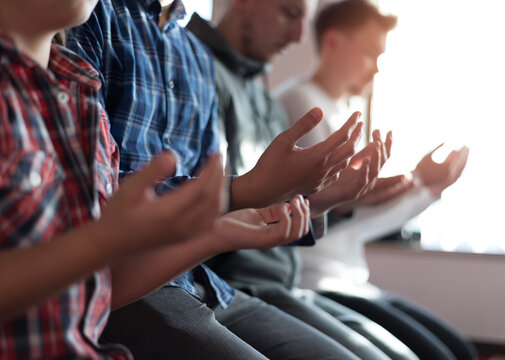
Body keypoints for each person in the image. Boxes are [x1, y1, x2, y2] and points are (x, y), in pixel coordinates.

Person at [66, 0, 379, 359]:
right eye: (289, 14)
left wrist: (318, 196)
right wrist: (250, 192)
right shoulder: (90, 16)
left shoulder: (197, 58)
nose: (297, 37)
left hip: (200, 277)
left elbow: (215, 196)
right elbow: (91, 194)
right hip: (128, 280)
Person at [0, 0, 298, 358]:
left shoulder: (81, 90)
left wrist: (214, 234)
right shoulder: (95, 38)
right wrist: (103, 242)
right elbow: (97, 252)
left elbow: (98, 283)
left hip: (189, 282)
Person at [185, 1, 435, 360]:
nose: (301, 35)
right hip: (238, 283)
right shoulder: (197, 71)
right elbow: (209, 206)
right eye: (289, 13)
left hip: (281, 281)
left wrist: (339, 198)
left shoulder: (263, 95)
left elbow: (273, 206)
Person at [276, 1, 475, 359]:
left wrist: (425, 189)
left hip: (349, 278)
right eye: (370, 53)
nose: (377, 67)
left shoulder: (341, 112)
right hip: (315, 279)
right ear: (333, 42)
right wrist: (418, 188)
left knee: (458, 348)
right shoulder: (301, 104)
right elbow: (329, 216)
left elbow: (351, 216)